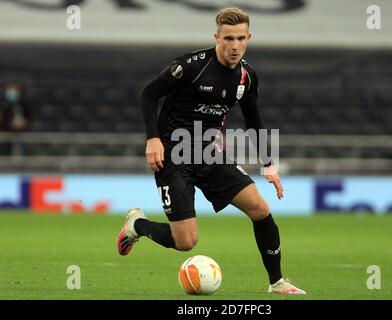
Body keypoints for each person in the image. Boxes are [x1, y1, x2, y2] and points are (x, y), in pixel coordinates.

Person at [116, 7, 305, 295]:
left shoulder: (247, 77)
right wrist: (152, 139)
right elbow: (149, 93)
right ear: (216, 36)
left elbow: (254, 120)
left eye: (241, 38)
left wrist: (268, 163)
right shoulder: (191, 66)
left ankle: (276, 281)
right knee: (186, 242)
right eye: (228, 38)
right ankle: (137, 225)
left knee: (260, 208)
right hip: (174, 155)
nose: (234, 45)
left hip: (209, 155)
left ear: (249, 38)